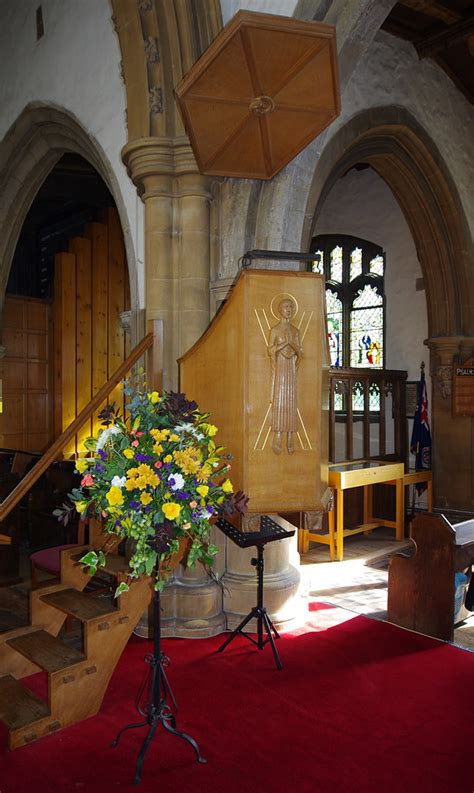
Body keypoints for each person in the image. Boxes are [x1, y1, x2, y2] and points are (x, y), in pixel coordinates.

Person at [267, 297, 303, 454]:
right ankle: (277, 436)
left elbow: (300, 352)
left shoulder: (295, 331)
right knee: (279, 399)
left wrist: (293, 345)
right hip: (280, 368)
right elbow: (270, 350)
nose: (289, 309)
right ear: (280, 310)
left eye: (292, 307)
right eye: (287, 307)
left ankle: (290, 436)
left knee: (291, 400)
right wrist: (283, 344)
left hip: (291, 368)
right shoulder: (275, 330)